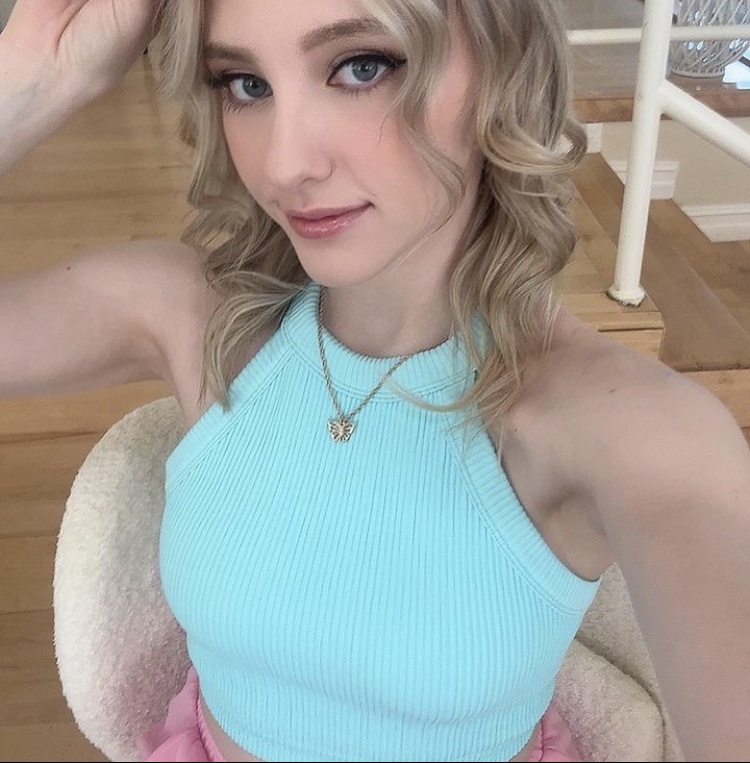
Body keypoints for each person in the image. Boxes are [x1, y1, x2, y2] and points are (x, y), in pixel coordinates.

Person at [2, 0, 749, 760]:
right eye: (245, 84)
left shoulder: (625, 429)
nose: (285, 164)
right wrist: (34, 79)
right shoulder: (190, 316)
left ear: (505, 65)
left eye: (362, 67)